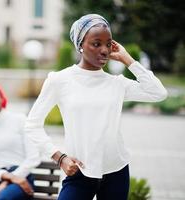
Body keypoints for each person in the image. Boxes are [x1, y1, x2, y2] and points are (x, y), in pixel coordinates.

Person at [24, 14, 167, 200]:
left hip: (116, 170)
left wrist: (128, 60)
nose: (105, 50)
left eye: (108, 44)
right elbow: (32, 125)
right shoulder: (59, 80)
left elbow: (158, 93)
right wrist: (59, 158)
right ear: (80, 45)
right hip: (78, 171)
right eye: (96, 43)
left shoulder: (117, 84)